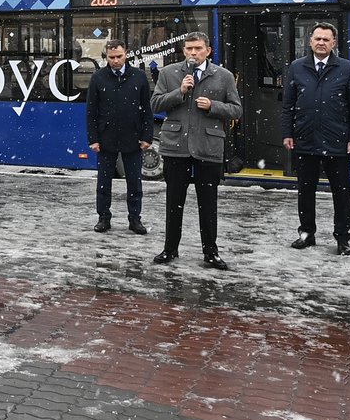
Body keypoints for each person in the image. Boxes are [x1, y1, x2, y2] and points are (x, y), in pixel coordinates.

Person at [150, 34, 241, 270]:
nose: (193, 53)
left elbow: (236, 110)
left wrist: (213, 106)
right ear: (183, 50)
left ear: (208, 51)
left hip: (208, 148)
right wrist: (179, 92)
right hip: (176, 146)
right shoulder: (169, 73)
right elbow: (155, 104)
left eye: (198, 48)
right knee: (174, 202)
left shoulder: (224, 76)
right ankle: (170, 249)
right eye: (189, 48)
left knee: (208, 204)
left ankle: (210, 252)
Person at [281, 23, 350, 256]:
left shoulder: (347, 69)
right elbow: (288, 105)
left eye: (326, 40)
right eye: (317, 38)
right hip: (304, 140)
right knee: (305, 191)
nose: (321, 43)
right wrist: (287, 133)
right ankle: (306, 234)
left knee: (341, 192)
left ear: (334, 44)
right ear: (310, 42)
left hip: (338, 142)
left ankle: (342, 238)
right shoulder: (297, 68)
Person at [85, 41, 153, 235]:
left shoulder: (139, 77)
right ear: (106, 57)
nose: (115, 61)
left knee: (134, 182)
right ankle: (103, 218)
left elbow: (146, 110)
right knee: (104, 182)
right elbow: (91, 111)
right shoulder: (98, 78)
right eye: (111, 57)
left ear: (126, 55)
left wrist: (147, 136)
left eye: (119, 56)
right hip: (106, 138)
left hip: (133, 137)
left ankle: (135, 220)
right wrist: (93, 139)